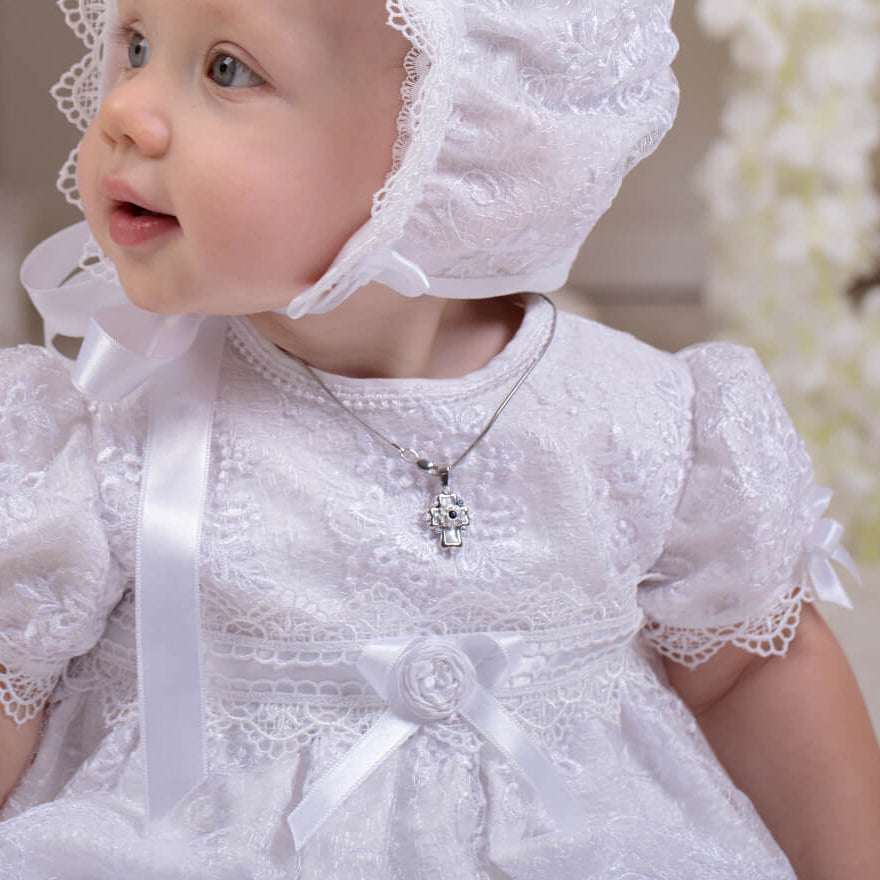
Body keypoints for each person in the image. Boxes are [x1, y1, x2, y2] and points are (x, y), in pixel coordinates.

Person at [0, 0, 878, 877]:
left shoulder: (635, 416)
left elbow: (750, 671)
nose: (125, 111)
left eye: (228, 69)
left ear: (453, 132)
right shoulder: (108, 431)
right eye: (137, 46)